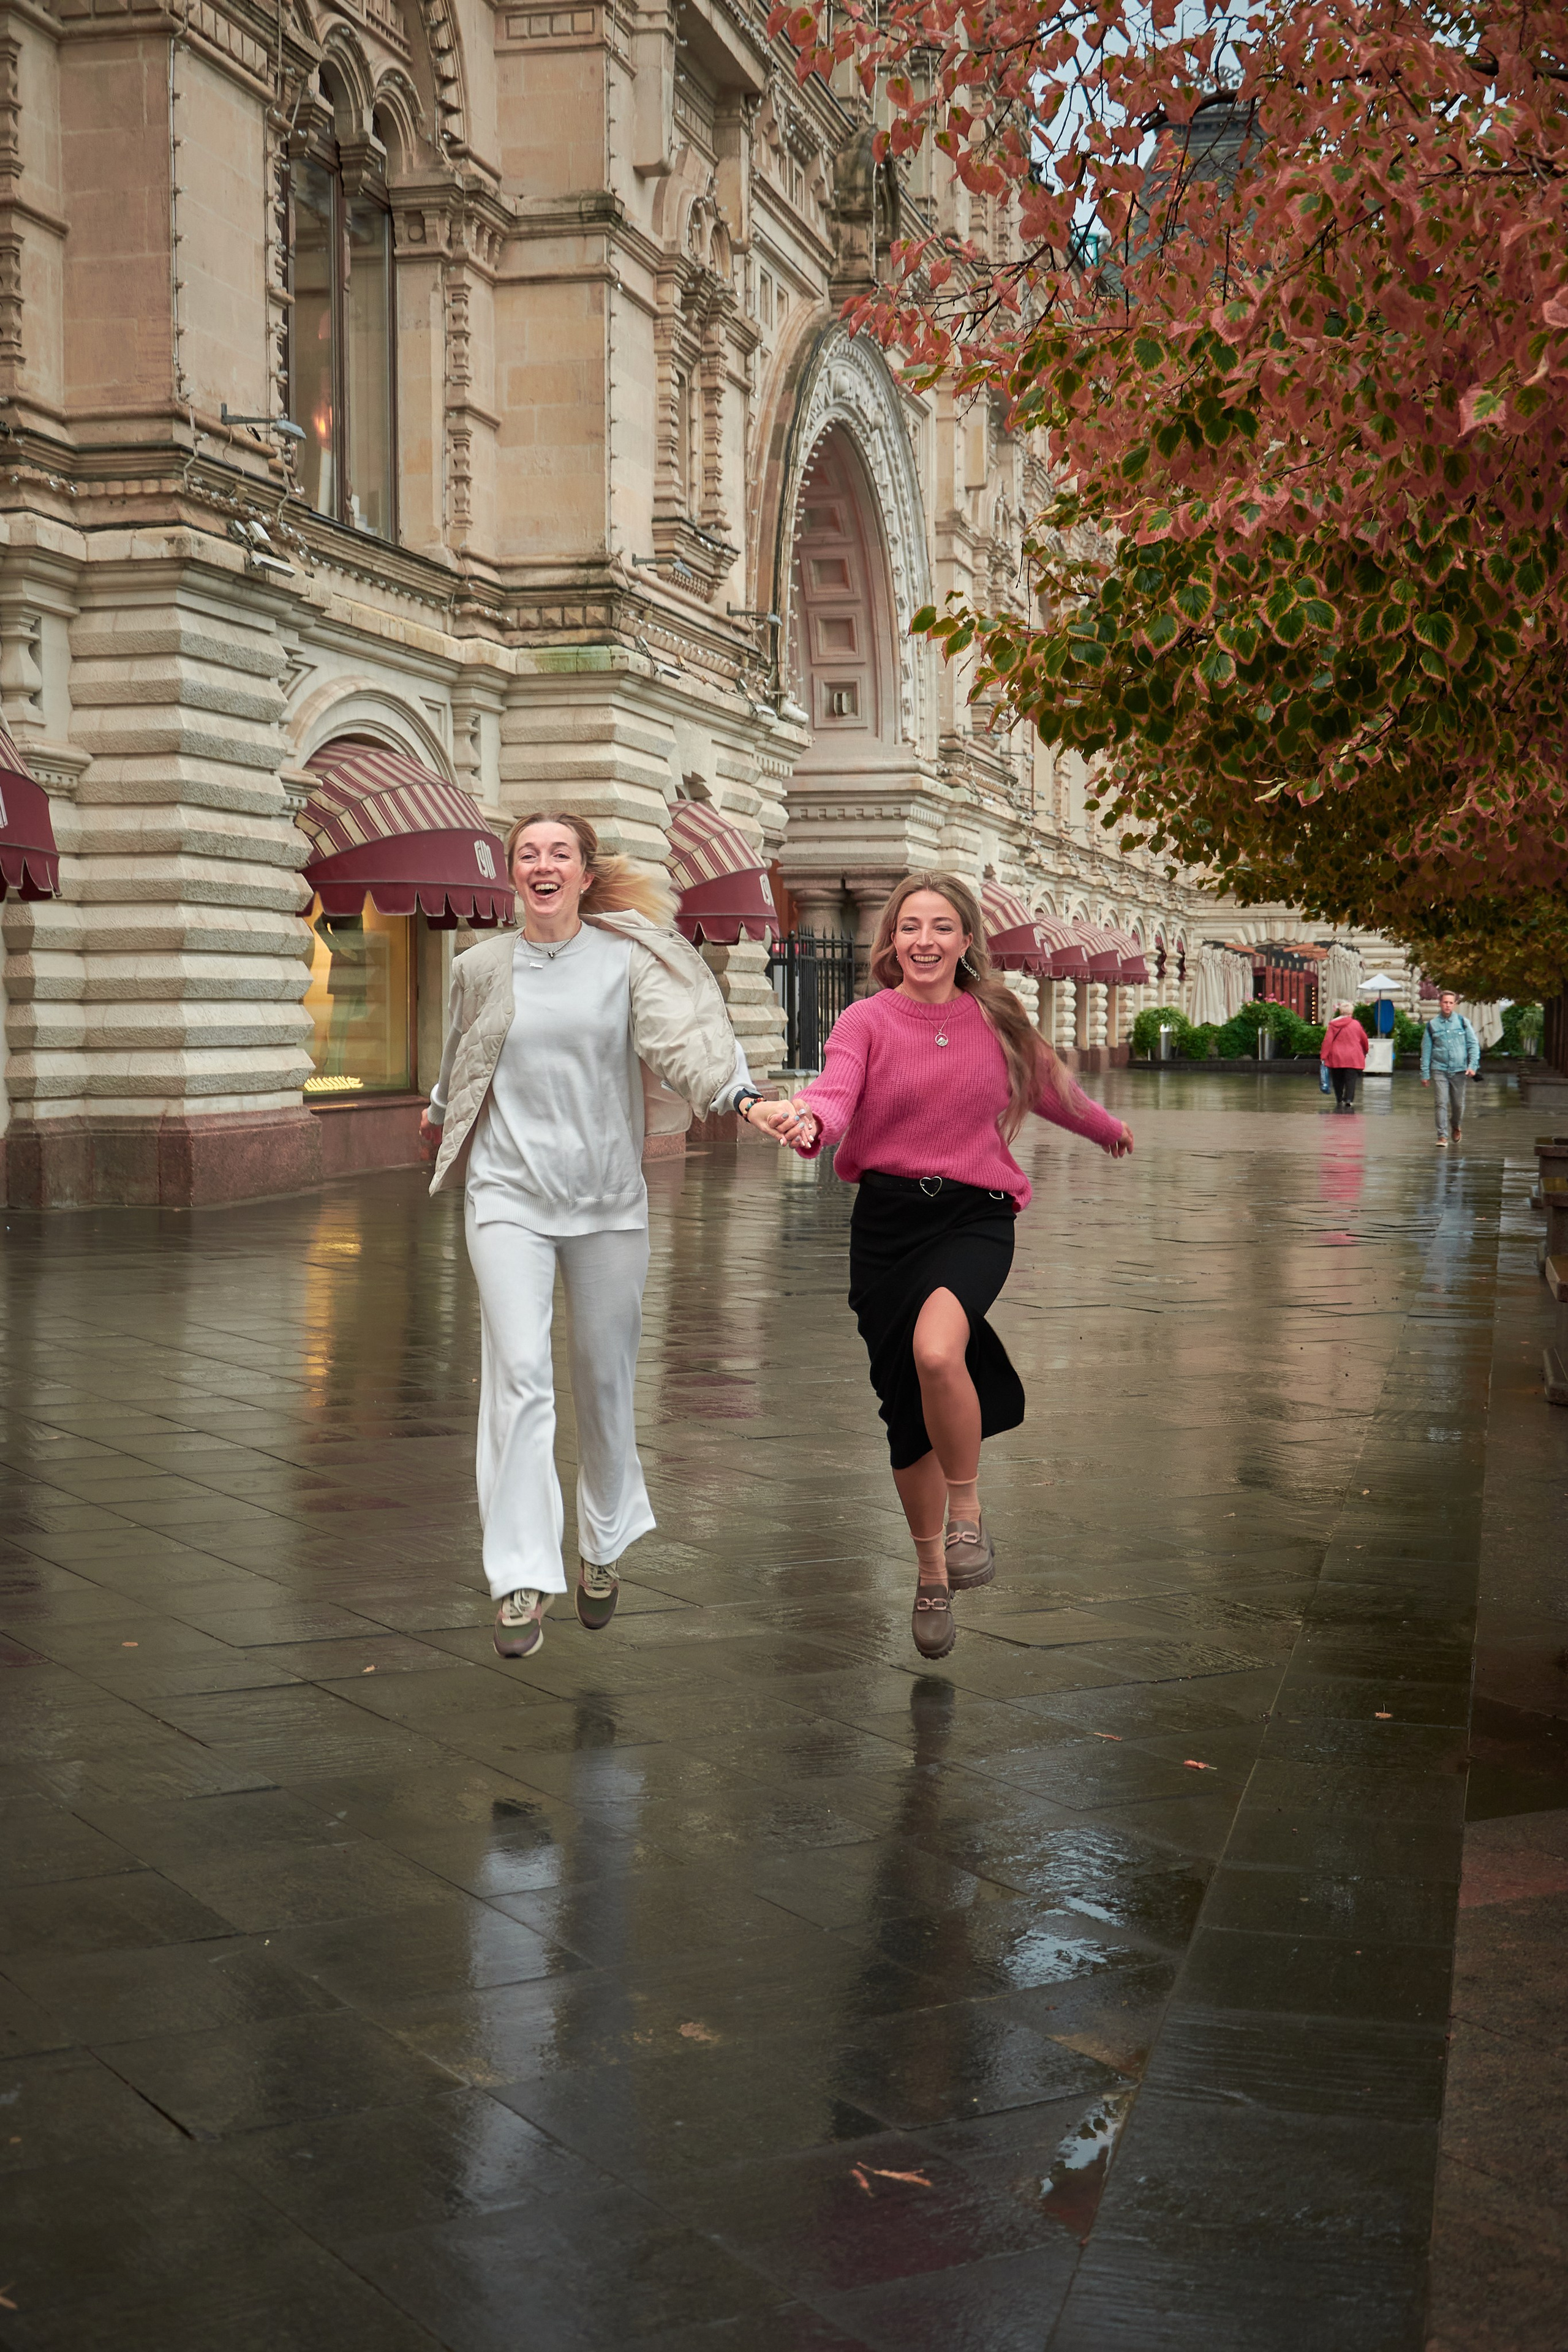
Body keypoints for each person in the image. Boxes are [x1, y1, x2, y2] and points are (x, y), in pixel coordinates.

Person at [420, 812, 801, 1660]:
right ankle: (520, 1572)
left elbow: (684, 1045)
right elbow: (461, 1057)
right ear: (512, 874)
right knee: (518, 1374)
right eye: (528, 854)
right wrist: (440, 1115)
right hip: (507, 1196)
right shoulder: (481, 966)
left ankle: (601, 1542)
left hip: (605, 1200)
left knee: (604, 1382)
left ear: (587, 874)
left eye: (560, 854)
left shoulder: (628, 960)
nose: (543, 865)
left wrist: (745, 1100)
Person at [749, 873, 1133, 1661]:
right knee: (903, 1413)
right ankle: (931, 1572)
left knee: (936, 1351)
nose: (924, 941)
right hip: (887, 1225)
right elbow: (837, 1090)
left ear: (966, 942)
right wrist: (810, 1120)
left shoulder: (995, 1018)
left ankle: (968, 1513)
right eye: (910, 928)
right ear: (890, 941)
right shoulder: (865, 1019)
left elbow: (1052, 1089)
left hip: (973, 1216)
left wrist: (1107, 1129)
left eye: (942, 928)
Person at [1420, 989, 1480, 1148]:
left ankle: (1456, 1125)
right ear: (1440, 1003)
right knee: (1441, 1102)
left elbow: (1473, 1045)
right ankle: (1442, 1136)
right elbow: (1426, 1051)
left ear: (1455, 1004)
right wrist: (1425, 1074)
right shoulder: (1432, 1025)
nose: (1448, 1005)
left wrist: (1473, 1066)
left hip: (1459, 1070)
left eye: (1450, 1003)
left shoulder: (1462, 1022)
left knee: (1458, 1104)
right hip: (1439, 1069)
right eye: (1445, 1002)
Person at [1319, 1000, 1370, 1112]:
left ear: (1340, 1012)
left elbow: (1328, 1041)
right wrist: (1366, 1050)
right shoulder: (1356, 1024)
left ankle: (1339, 1099)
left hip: (1336, 1057)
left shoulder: (1333, 1025)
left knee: (1338, 1079)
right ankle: (1349, 1100)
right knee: (1351, 1079)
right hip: (1353, 1057)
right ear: (1351, 1013)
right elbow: (1364, 1039)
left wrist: (1324, 1055)